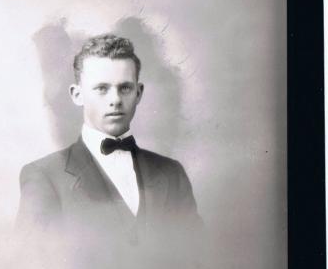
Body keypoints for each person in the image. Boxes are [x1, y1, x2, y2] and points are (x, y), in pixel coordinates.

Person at [16, 34, 199, 247]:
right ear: (77, 95)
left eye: (125, 88)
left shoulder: (172, 174)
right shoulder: (45, 176)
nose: (115, 100)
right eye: (101, 88)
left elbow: (198, 261)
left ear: (138, 93)